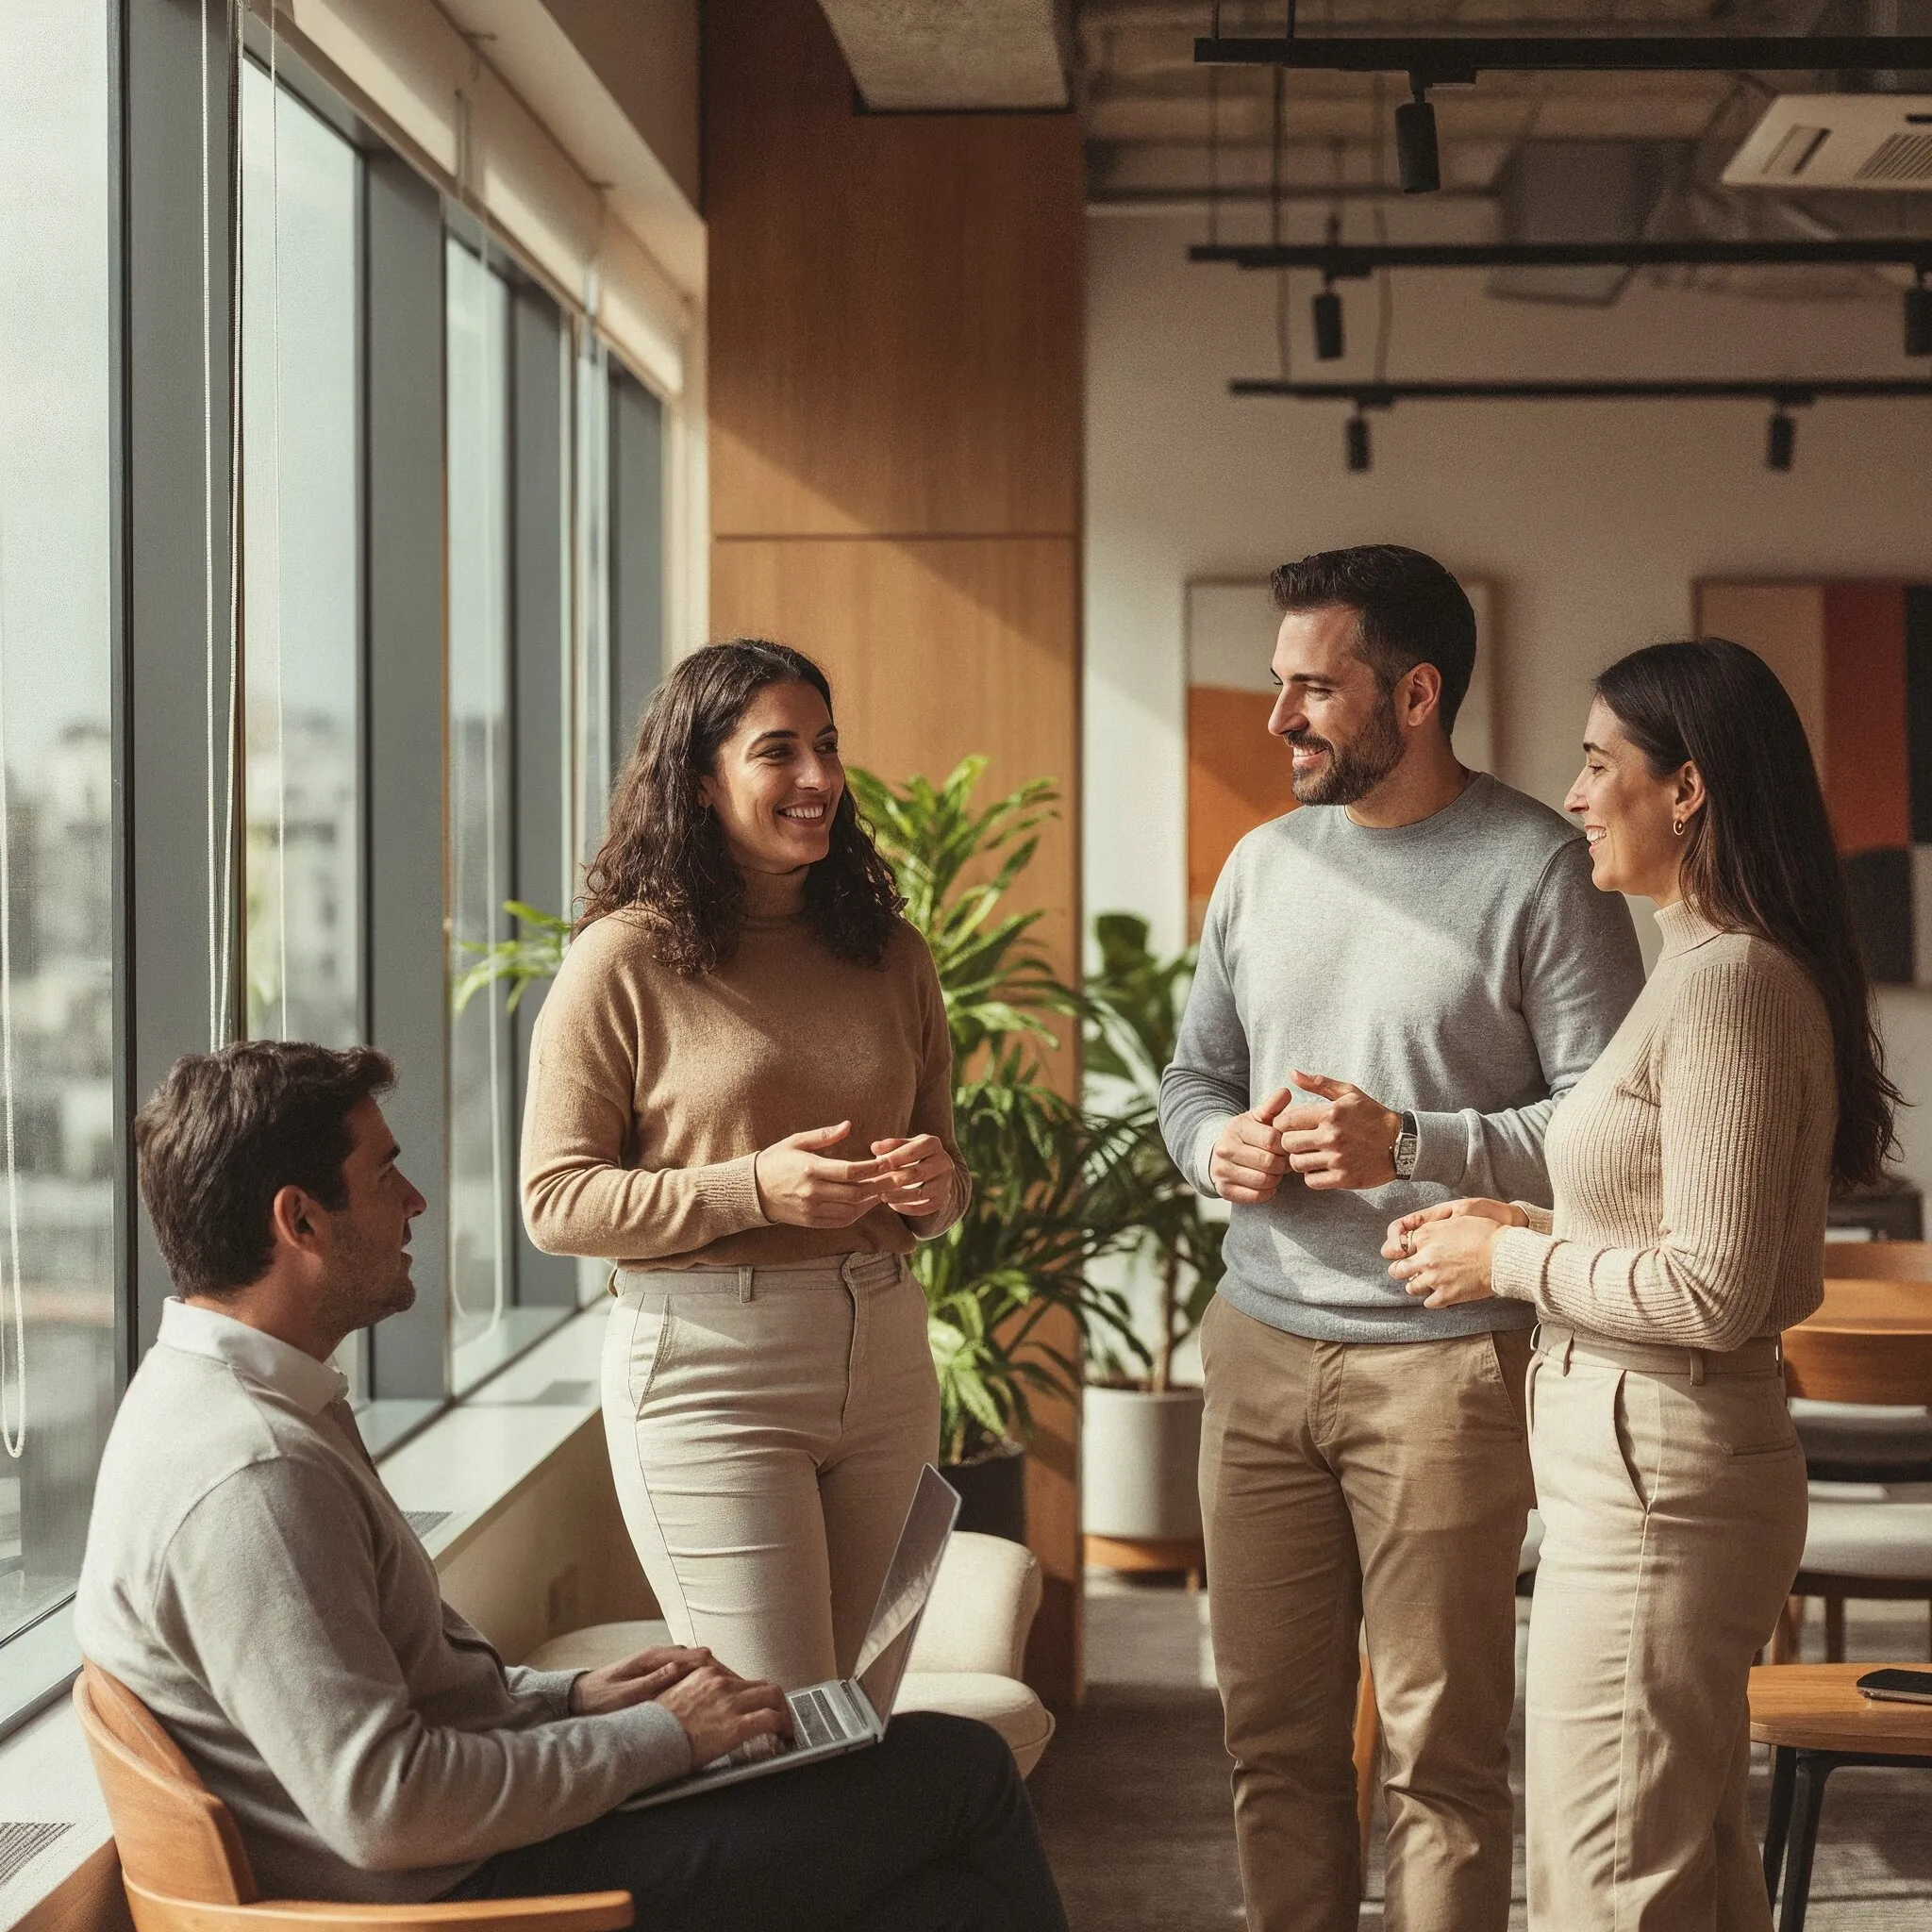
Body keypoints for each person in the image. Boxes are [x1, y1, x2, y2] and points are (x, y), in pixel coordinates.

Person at [76, 1041, 1064, 1932]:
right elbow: (385, 1803)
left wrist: (571, 1697)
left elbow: (402, 1702)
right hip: (479, 1898)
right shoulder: (254, 1473)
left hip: (479, 1857)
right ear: (300, 1219)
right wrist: (658, 1738)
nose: (415, 1199)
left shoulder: (233, 1399)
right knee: (958, 1775)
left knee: (934, 1893)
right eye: (384, 1174)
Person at [1159, 544, 1645, 1932]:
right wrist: (1215, 1145)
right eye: (1277, 687)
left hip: (1448, 1370)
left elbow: (1605, 1131)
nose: (1279, 719)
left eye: (1313, 688)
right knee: (1273, 1745)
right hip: (1257, 1353)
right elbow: (1190, 1079)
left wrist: (1414, 1144)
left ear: (1415, 693)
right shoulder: (1262, 866)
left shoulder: (1544, 871)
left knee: (1442, 1756)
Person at [1385, 638, 1898, 1931]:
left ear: (1689, 789)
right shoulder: (1711, 973)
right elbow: (1676, 1226)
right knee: (1680, 1868)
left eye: (1598, 761)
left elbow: (1716, 1287)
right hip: (1654, 1463)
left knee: (1609, 1883)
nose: (1571, 795)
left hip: (1660, 1472)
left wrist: (1510, 1259)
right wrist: (1540, 1220)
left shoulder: (1728, 987)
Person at [521, 641, 969, 1690]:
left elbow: (949, 1175)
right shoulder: (620, 958)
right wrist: (751, 1188)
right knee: (776, 1728)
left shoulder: (892, 953)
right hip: (709, 1367)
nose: (817, 778)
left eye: (826, 745)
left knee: (856, 1721)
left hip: (888, 1354)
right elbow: (554, 1200)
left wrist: (933, 1189)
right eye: (778, 751)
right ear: (697, 778)